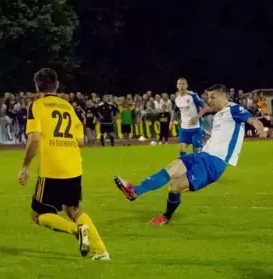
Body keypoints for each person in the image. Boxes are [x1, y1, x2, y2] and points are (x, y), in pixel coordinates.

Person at [113, 84, 267, 225]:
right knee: (171, 168)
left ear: (224, 96)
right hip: (202, 156)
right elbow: (209, 110)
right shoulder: (220, 113)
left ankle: (166, 216)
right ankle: (135, 191)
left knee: (175, 186)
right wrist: (200, 114)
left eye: (213, 97)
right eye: (208, 97)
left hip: (214, 164)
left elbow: (253, 119)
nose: (209, 100)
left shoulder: (234, 109)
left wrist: (260, 129)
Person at [18, 68, 109, 260]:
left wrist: (25, 166)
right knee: (73, 209)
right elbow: (81, 141)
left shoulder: (37, 106)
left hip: (52, 167)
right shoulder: (68, 107)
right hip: (74, 165)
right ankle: (101, 251)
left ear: (37, 86)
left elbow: (34, 139)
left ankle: (76, 230)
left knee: (38, 214)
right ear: (57, 85)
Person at [174, 78, 211, 156]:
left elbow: (206, 107)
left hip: (195, 128)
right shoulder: (177, 98)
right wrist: (172, 121)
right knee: (181, 150)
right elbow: (175, 110)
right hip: (184, 129)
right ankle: (185, 167)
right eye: (180, 84)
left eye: (183, 84)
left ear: (187, 85)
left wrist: (197, 117)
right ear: (177, 86)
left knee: (197, 153)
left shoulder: (192, 95)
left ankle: (200, 164)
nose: (181, 86)